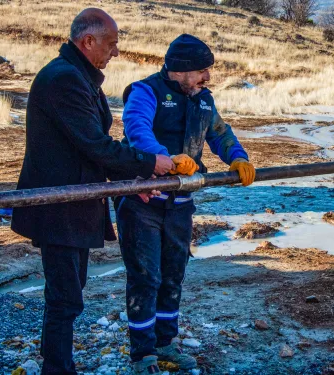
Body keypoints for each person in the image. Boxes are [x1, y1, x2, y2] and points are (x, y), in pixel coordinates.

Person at [10, 8, 174, 375]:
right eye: (112, 44)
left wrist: (129, 183)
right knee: (65, 297)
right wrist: (150, 164)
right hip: (59, 207)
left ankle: (58, 364)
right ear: (88, 41)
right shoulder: (64, 80)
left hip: (74, 203)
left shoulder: (77, 76)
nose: (115, 52)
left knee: (69, 293)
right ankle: (57, 368)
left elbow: (90, 147)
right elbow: (95, 145)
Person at [115, 34, 255, 374]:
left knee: (173, 275)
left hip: (180, 204)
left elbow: (220, 133)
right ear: (181, 69)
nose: (208, 77)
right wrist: (165, 159)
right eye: (202, 70)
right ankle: (142, 354)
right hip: (142, 202)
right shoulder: (144, 92)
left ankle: (166, 343)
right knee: (145, 276)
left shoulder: (204, 100)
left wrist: (238, 158)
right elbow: (136, 130)